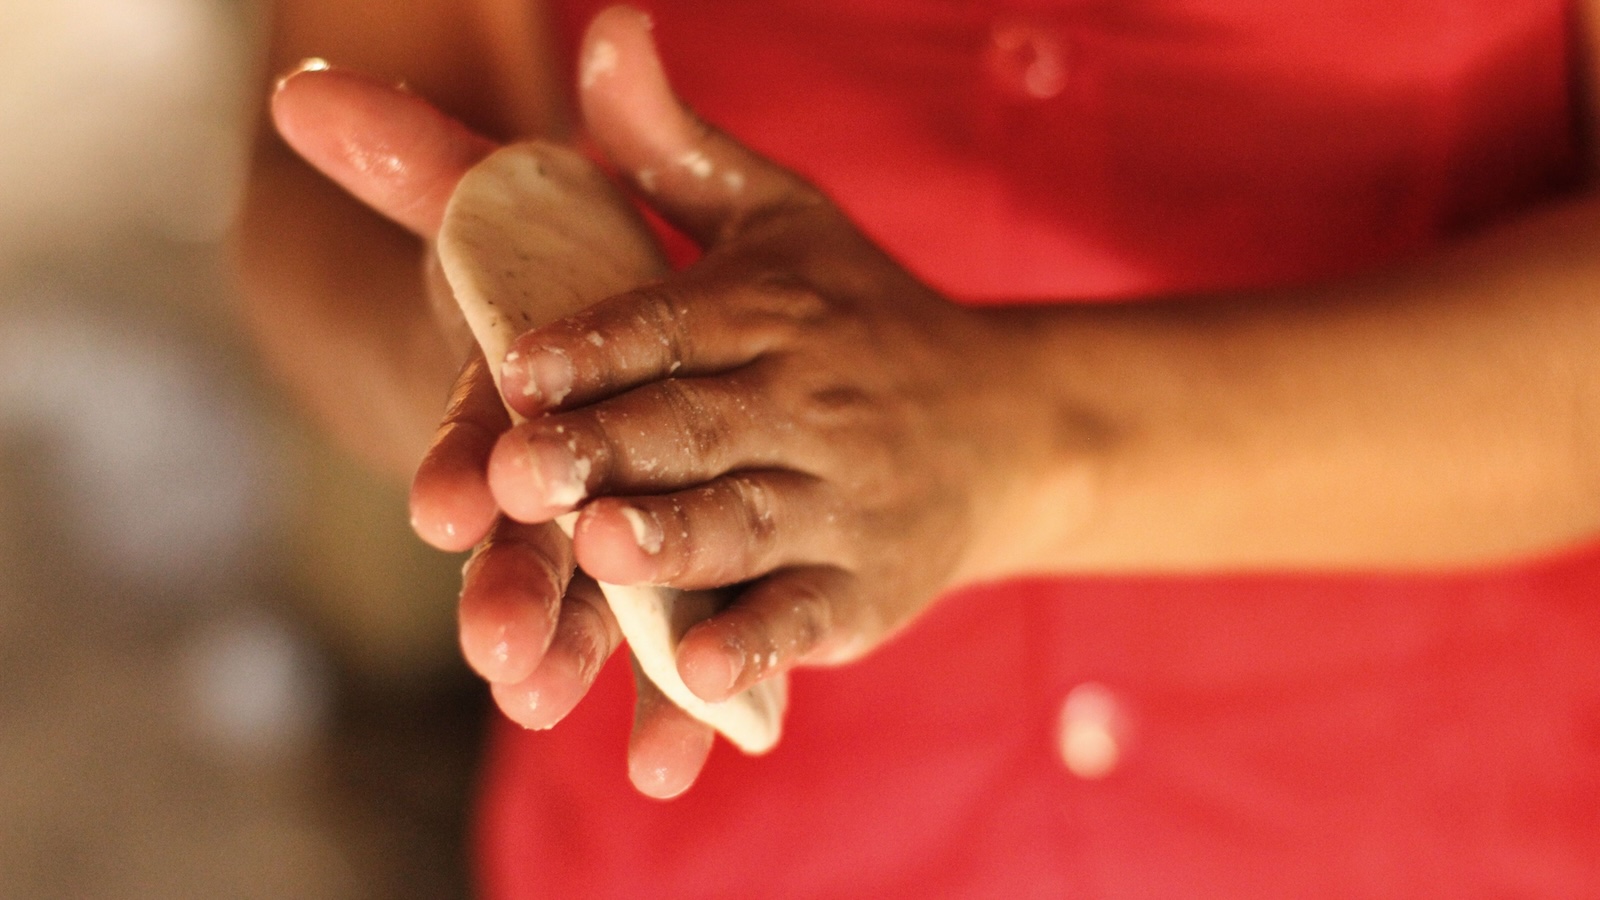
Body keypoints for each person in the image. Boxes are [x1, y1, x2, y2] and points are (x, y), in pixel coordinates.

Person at [239, 1, 1600, 895]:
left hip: (1433, 813)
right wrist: (494, 350)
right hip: (729, 844)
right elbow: (331, 171)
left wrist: (1012, 439)